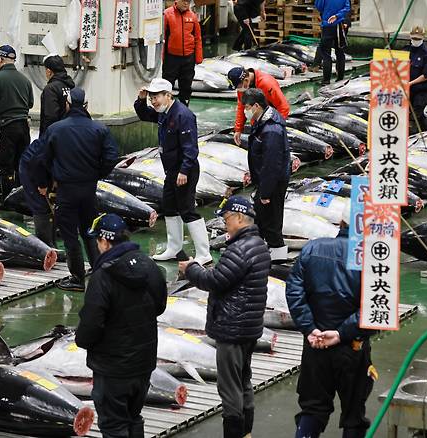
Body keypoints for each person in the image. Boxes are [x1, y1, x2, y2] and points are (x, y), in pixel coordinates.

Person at [179, 195, 270, 438]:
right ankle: (246, 433)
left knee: (230, 389)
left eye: (227, 218)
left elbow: (215, 281)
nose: (225, 224)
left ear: (240, 217)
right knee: (243, 382)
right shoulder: (258, 244)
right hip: (249, 327)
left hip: (232, 328)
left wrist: (191, 269)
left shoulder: (239, 249)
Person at [285, 203, 376, 438]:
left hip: (315, 346)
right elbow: (376, 307)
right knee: (354, 414)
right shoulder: (373, 259)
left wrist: (310, 328)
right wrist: (341, 334)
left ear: (341, 222)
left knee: (312, 408)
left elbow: (294, 291)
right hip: (352, 348)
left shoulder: (313, 248)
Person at [76, 213, 167, 438]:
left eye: (97, 240)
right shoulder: (148, 264)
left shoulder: (103, 276)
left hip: (113, 368)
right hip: (143, 362)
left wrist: (83, 341)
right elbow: (160, 305)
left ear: (105, 242)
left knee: (114, 425)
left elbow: (91, 324)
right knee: (133, 418)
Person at [34, 88, 118, 291]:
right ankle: (99, 275)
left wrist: (43, 183)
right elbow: (111, 157)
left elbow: (41, 159)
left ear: (67, 104)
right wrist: (97, 174)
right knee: (90, 232)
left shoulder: (55, 129)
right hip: (89, 190)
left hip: (66, 191)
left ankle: (77, 278)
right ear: (86, 105)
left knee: (70, 235)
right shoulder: (99, 129)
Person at [134, 78, 212, 266]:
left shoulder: (183, 115)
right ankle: (174, 248)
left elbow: (191, 148)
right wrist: (141, 100)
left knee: (187, 209)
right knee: (169, 206)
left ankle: (204, 253)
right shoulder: (163, 113)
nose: (154, 102)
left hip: (185, 170)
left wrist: (184, 171)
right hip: (171, 170)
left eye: (156, 97)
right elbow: (145, 114)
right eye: (152, 98)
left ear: (168, 96)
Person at [243, 88, 290, 261]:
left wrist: (266, 192)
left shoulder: (271, 129)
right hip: (266, 181)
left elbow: (272, 164)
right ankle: (265, 258)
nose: (244, 111)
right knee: (262, 222)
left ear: (256, 106)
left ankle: (278, 262)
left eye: (246, 107)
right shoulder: (263, 121)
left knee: (271, 225)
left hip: (272, 184)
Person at [0, 44, 34, 208]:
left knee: (6, 166)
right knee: (21, 164)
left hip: (6, 128)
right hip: (24, 127)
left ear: (0, 59)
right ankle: (23, 200)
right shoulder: (25, 80)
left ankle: (7, 201)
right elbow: (30, 103)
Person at [227, 67, 290, 146]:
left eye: (238, 87)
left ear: (246, 80)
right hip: (257, 121)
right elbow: (242, 106)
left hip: (272, 121)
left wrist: (276, 129)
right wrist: (238, 129)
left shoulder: (267, 83)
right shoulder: (242, 86)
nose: (238, 90)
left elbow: (283, 107)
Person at [163, 0, 203, 106]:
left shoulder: (193, 16)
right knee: (167, 84)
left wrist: (199, 58)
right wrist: (161, 58)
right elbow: (163, 37)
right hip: (171, 57)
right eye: (184, 1)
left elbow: (198, 38)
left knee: (186, 85)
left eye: (188, 1)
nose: (186, 3)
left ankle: (184, 108)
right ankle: (166, 108)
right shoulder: (167, 14)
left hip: (188, 58)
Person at [19, 138, 56, 247]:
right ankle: (45, 248)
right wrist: (42, 184)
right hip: (31, 165)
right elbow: (37, 163)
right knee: (41, 205)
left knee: (53, 204)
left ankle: (52, 243)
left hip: (46, 164)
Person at [406, 25, 427, 133]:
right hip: (407, 90)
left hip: (421, 91)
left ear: (423, 38)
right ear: (410, 36)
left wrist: (410, 83)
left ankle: (414, 136)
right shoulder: (406, 50)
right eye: (414, 38)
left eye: (418, 39)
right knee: (408, 114)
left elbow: (426, 75)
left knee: (413, 116)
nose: (415, 41)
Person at [39, 54, 75, 137]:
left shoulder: (51, 88)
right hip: (69, 133)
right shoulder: (71, 85)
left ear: (49, 71)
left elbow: (50, 116)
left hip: (54, 135)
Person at [315, 0, 350, 85]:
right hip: (340, 25)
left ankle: (326, 80)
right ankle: (340, 79)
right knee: (340, 52)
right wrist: (337, 16)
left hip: (328, 25)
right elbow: (347, 7)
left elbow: (319, 6)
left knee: (326, 53)